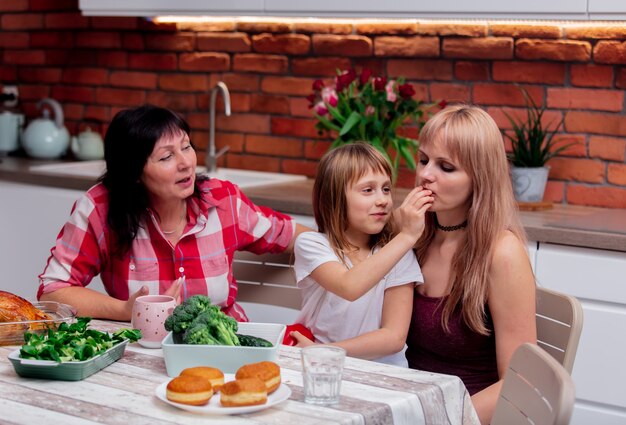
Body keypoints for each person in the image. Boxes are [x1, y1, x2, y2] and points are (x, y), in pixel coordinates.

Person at [38, 104, 307, 321]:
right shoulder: (100, 208)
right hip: (140, 353)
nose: (186, 163)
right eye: (166, 157)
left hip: (224, 350)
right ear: (133, 173)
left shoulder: (223, 201)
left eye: (186, 146)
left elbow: (292, 235)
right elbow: (53, 291)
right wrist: (124, 311)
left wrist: (346, 249)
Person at [405, 105, 537, 424]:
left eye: (446, 167)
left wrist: (442, 419)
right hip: (410, 407)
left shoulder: (502, 253)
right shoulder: (417, 237)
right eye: (424, 160)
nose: (425, 174)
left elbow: (521, 382)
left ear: (479, 178)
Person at [290, 143, 433, 366]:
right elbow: (349, 286)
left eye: (386, 189)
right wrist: (406, 236)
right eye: (368, 190)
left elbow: (394, 337)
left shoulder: (398, 254)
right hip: (321, 370)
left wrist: (324, 351)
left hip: (381, 376)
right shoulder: (313, 244)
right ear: (335, 198)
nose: (383, 200)